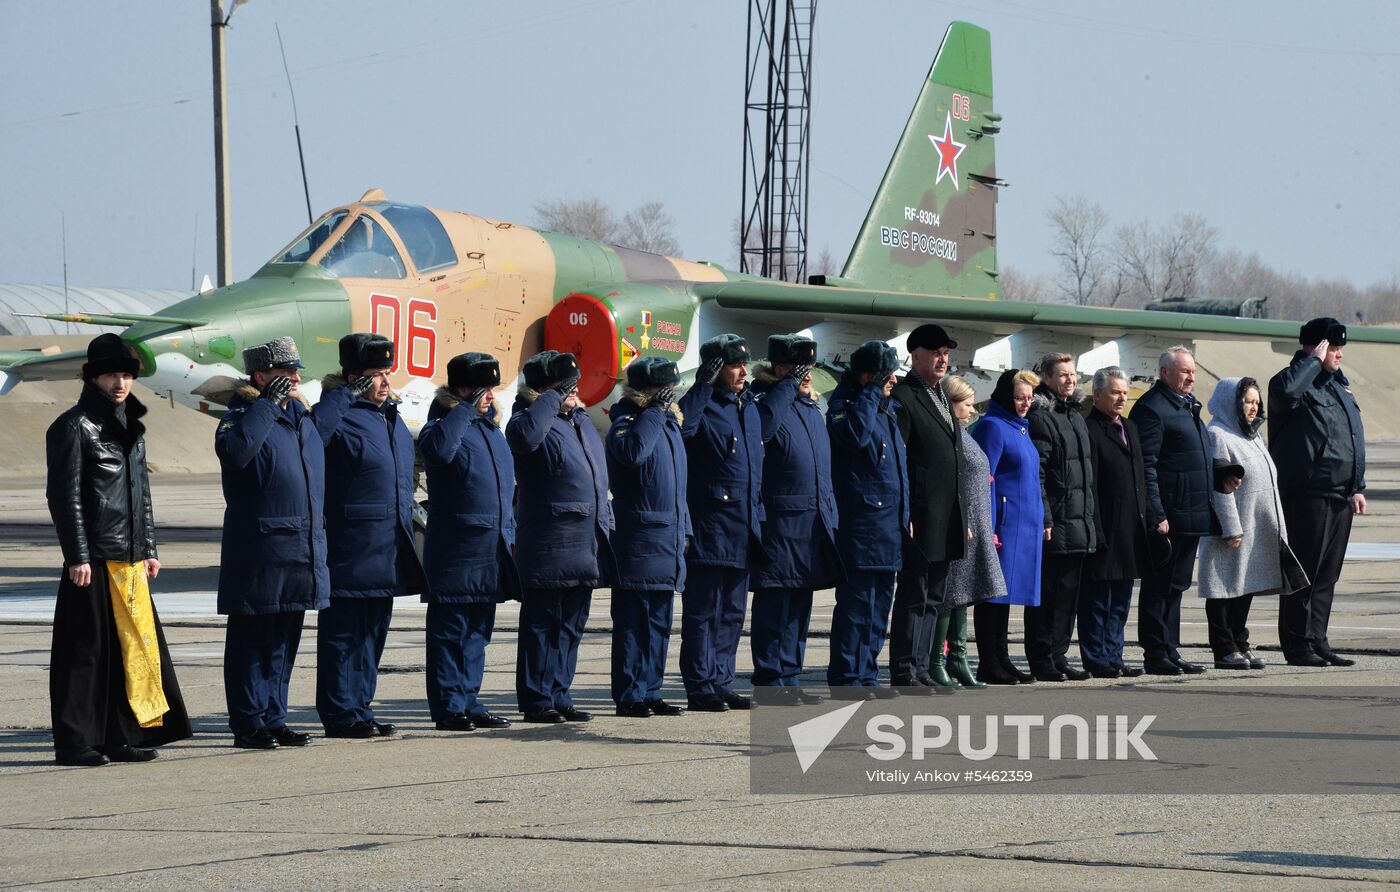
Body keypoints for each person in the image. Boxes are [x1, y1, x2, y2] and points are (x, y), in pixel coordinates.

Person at [45, 334, 192, 767]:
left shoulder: (131, 427)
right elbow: (64, 496)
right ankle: (74, 741)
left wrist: (148, 546)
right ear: (93, 378)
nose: (121, 383)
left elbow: (139, 493)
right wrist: (77, 556)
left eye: (126, 375)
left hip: (128, 559)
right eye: (112, 375)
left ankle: (118, 735)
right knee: (84, 653)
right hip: (93, 558)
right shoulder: (73, 426)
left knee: (128, 651)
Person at [216, 336, 329, 749]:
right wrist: (266, 404)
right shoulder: (242, 415)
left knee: (284, 639)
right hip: (260, 551)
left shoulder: (300, 417)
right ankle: (248, 722)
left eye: (296, 371)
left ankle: (275, 716)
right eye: (286, 372)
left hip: (300, 549)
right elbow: (237, 453)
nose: (295, 378)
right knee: (251, 642)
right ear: (262, 376)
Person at [313, 334, 427, 738]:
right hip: (350, 546)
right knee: (343, 635)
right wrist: (344, 396)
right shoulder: (338, 413)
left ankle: (361, 707)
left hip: (387, 546)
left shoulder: (391, 418)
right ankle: (340, 713)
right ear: (351, 377)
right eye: (372, 376)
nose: (383, 382)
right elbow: (314, 436)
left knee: (372, 635)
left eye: (386, 373)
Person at [507, 350, 614, 723]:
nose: (574, 389)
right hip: (551, 541)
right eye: (564, 383)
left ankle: (560, 692)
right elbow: (524, 439)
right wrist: (552, 397)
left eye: (574, 382)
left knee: (571, 623)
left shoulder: (580, 421)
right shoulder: (526, 418)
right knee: (542, 624)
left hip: (586, 540)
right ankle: (538, 699)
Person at [418, 352, 519, 731]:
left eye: (492, 388)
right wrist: (463, 408)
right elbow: (440, 450)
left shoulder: (489, 429)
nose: (490, 395)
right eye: (483, 388)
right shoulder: (442, 423)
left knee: (478, 631)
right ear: (462, 388)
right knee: (451, 630)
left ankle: (469, 698)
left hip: (490, 546)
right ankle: (448, 705)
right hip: (457, 548)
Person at [1269, 317, 1367, 667]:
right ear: (1316, 346)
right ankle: (1297, 644)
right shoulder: (1294, 384)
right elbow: (1283, 395)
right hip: (1307, 494)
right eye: (1333, 347)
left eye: (1341, 347)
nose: (1339, 353)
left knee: (1327, 574)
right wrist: (1311, 362)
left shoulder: (1338, 387)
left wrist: (1357, 485)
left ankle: (1317, 639)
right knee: (1304, 573)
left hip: (1339, 495)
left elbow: (1352, 436)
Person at [750, 335, 841, 705]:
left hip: (811, 522)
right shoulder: (764, 401)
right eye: (798, 369)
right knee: (776, 605)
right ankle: (771, 680)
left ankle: (790, 675)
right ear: (779, 369)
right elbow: (764, 429)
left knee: (799, 607)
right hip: (781, 523)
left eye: (809, 370)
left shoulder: (810, 408)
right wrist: (787, 386)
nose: (807, 377)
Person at [678, 334, 766, 712]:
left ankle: (721, 680)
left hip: (743, 525)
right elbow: (683, 428)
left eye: (744, 364)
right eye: (733, 365)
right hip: (711, 526)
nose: (743, 371)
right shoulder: (704, 404)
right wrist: (701, 383)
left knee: (732, 612)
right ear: (716, 368)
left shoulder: (746, 406)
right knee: (703, 612)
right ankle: (700, 686)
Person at [1197, 377, 1307, 669]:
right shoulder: (1218, 434)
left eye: (1256, 402)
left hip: (1255, 527)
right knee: (1223, 590)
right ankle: (1223, 649)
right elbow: (1218, 485)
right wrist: (1230, 526)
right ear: (1231, 402)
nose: (1253, 407)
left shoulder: (1252, 435)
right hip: (1232, 529)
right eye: (1248, 401)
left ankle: (1240, 641)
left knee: (1244, 588)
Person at [605, 356, 691, 718]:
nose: (671, 395)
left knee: (659, 623)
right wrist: (654, 412)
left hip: (668, 539)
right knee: (633, 623)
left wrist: (684, 529)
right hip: (639, 538)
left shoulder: (668, 425)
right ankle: (630, 693)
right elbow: (632, 454)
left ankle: (651, 689)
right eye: (664, 389)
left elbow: (677, 488)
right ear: (647, 390)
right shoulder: (627, 422)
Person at [826, 341, 909, 699]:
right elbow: (856, 437)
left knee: (878, 610)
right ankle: (847, 678)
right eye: (885, 373)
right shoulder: (844, 407)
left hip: (888, 527)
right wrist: (872, 391)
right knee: (857, 608)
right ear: (867, 375)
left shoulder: (887, 409)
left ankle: (867, 675)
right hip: (862, 527)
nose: (892, 379)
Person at [889, 324, 967, 691]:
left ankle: (921, 667)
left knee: (934, 597)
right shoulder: (905, 397)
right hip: (922, 515)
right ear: (915, 355)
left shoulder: (938, 396)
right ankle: (905, 669)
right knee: (914, 595)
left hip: (946, 515)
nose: (942, 358)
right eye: (935, 351)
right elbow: (900, 461)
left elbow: (953, 458)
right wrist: (906, 515)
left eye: (946, 352)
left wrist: (961, 514)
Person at [1132, 346, 1212, 675]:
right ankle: (1155, 652)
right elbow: (1146, 466)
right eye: (1184, 372)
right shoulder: (1153, 409)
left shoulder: (1187, 407)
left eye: (1193, 372)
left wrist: (1220, 473)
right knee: (1159, 585)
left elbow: (1189, 457)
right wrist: (1156, 513)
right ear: (1165, 372)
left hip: (1191, 511)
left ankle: (1171, 648)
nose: (1191, 377)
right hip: (1169, 514)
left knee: (1177, 586)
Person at [1024, 353, 1098, 682]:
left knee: (1069, 597)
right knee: (1049, 597)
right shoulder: (1042, 416)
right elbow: (1037, 474)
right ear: (1048, 378)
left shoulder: (1075, 415)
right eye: (1063, 375)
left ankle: (1059, 655)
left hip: (1079, 521)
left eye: (1073, 374)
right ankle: (1042, 658)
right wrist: (1046, 518)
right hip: (1057, 523)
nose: (1070, 380)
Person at [970, 369, 1043, 685]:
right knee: (992, 598)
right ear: (1004, 396)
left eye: (1029, 398)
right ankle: (989, 662)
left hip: (1023, 526)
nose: (1025, 404)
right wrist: (989, 526)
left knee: (1006, 596)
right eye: (1019, 397)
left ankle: (1002, 658)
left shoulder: (1021, 429)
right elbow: (983, 481)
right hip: (1003, 527)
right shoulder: (992, 428)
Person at [933, 375, 1006, 690]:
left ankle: (959, 658)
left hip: (975, 523)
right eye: (966, 404)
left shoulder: (965, 434)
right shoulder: (949, 436)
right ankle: (938, 659)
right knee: (951, 594)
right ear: (950, 404)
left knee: (963, 594)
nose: (972, 410)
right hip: (961, 525)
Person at [1081, 367, 1152, 678]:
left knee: (1121, 599)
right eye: (1115, 392)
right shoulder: (1090, 430)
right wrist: (1094, 529)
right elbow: (1091, 486)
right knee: (1097, 600)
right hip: (1105, 528)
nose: (1122, 397)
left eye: (1125, 392)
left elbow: (1140, 479)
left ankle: (1114, 654)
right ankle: (1096, 657)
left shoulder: (1130, 427)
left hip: (1130, 530)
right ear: (1097, 395)